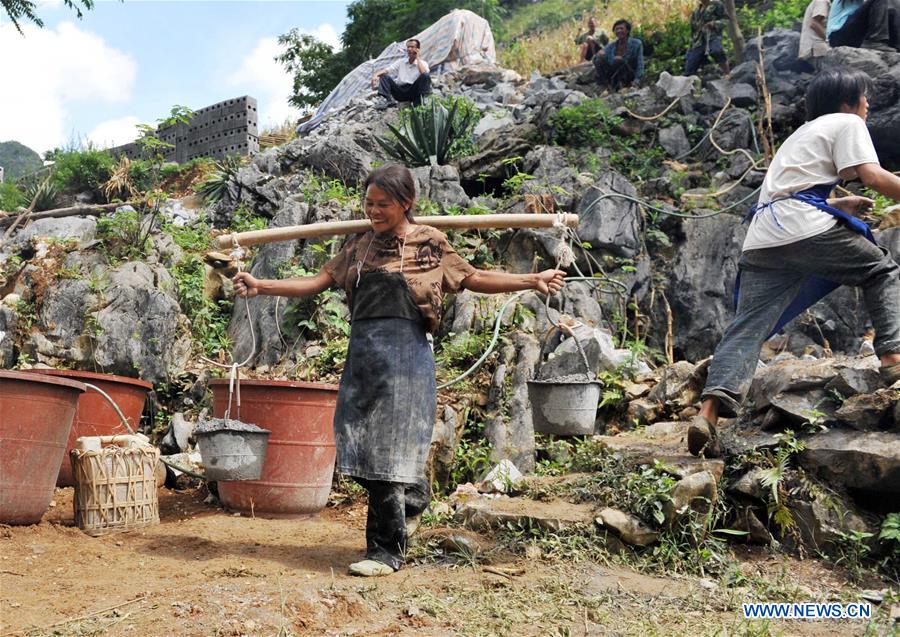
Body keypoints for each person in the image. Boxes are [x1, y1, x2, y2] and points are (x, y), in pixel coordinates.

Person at [233, 164, 567, 576]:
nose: (373, 211)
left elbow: (474, 277)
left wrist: (532, 279)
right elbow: (318, 280)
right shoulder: (359, 246)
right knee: (355, 440)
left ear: (406, 203)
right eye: (368, 203)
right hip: (363, 358)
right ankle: (413, 500)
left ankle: (385, 551)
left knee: (388, 451)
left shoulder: (431, 244)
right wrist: (262, 285)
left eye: (383, 204)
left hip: (407, 359)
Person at [688, 68, 900, 458]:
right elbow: (873, 176)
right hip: (801, 227)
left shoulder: (800, 135)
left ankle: (708, 413)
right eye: (864, 97)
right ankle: (893, 358)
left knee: (749, 325)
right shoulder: (847, 122)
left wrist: (839, 204)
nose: (868, 105)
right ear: (846, 102)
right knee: (881, 269)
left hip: (763, 236)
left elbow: (787, 192)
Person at [372, 39, 432, 107]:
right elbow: (387, 70)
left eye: (412, 47)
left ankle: (422, 100)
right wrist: (375, 75)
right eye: (408, 47)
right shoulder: (401, 62)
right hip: (400, 92)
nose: (409, 49)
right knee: (384, 76)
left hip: (414, 91)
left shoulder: (423, 64)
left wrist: (417, 57)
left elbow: (424, 74)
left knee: (426, 75)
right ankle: (387, 100)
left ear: (417, 49)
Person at [827, 0, 899, 52]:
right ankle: (874, 41)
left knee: (892, 12)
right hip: (838, 36)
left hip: (853, 36)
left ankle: (896, 46)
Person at [594, 19, 644, 91]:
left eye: (621, 28)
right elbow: (598, 57)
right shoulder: (611, 46)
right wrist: (600, 54)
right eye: (616, 29)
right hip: (614, 75)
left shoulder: (636, 44)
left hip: (629, 75)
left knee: (618, 60)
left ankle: (626, 85)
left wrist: (637, 81)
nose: (619, 31)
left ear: (627, 31)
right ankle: (607, 86)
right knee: (598, 58)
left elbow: (640, 65)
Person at [684, 0, 729, 76]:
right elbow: (693, 30)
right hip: (698, 41)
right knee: (689, 67)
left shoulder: (717, 4)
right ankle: (697, 82)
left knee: (717, 51)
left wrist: (714, 24)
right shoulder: (696, 10)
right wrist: (690, 46)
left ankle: (727, 73)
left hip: (713, 37)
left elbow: (726, 19)